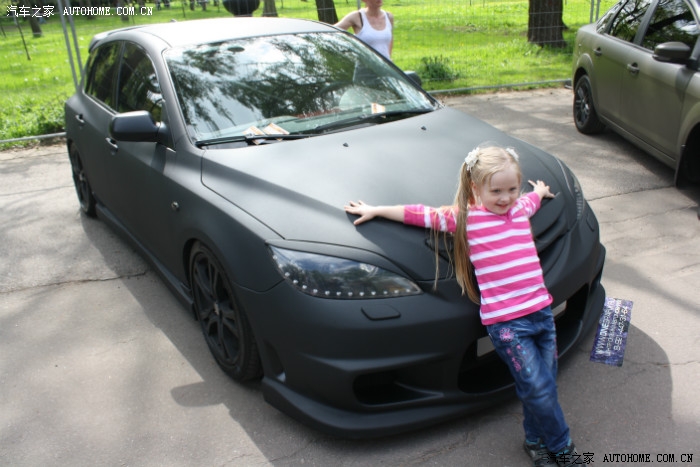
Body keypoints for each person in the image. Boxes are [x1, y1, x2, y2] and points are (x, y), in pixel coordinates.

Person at [344, 145, 583, 467]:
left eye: (512, 189)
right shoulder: (468, 219)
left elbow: (532, 200)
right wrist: (377, 210)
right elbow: (420, 214)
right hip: (508, 325)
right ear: (476, 188)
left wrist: (539, 191)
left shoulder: (519, 208)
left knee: (541, 387)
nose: (505, 198)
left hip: (541, 314)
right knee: (538, 389)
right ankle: (563, 449)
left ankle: (535, 441)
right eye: (496, 191)